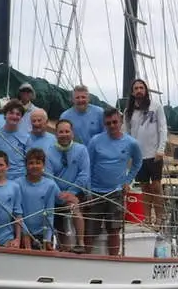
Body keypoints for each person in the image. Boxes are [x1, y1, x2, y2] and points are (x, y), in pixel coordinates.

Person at [86, 108, 143, 256]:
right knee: (90, 230)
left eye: (114, 122)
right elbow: (88, 166)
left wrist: (128, 181)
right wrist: (88, 190)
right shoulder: (95, 141)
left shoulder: (132, 143)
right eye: (108, 123)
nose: (112, 125)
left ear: (121, 121)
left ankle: (114, 260)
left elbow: (137, 162)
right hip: (95, 192)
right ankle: (86, 259)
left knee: (114, 230)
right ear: (104, 124)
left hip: (116, 192)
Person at [124, 78, 168, 230]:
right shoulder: (128, 112)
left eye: (141, 88)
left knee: (156, 186)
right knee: (144, 187)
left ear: (146, 90)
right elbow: (127, 133)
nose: (139, 91)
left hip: (154, 153)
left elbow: (163, 128)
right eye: (136, 88)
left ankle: (161, 217)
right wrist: (129, 154)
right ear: (132, 92)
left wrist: (161, 149)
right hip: (138, 155)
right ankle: (147, 219)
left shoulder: (156, 107)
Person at [46, 118, 90, 252]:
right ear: (56, 134)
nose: (64, 134)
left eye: (67, 131)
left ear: (72, 133)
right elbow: (48, 176)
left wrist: (71, 193)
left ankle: (80, 243)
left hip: (75, 193)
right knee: (60, 224)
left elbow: (84, 174)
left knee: (74, 208)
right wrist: (60, 195)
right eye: (61, 132)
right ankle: (63, 248)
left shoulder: (81, 150)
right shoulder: (48, 152)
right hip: (56, 194)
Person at [18, 148, 63, 251]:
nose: (34, 166)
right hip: (23, 233)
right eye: (31, 163)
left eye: (38, 163)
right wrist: (25, 234)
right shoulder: (18, 184)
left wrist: (47, 239)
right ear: (26, 165)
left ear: (43, 165)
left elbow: (50, 213)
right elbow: (18, 213)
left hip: (43, 234)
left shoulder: (50, 185)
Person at [0, 99, 29, 181]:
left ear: (21, 118)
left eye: (18, 114)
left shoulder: (26, 137)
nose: (14, 116)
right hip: (2, 179)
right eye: (11, 113)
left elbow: (29, 162)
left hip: (22, 179)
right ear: (5, 115)